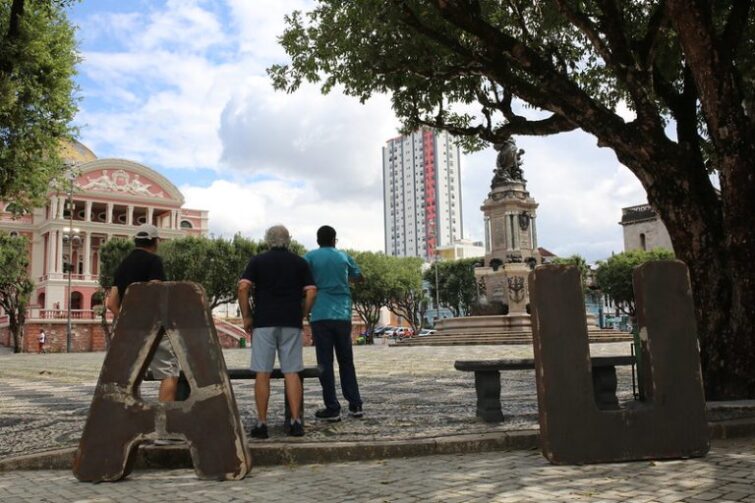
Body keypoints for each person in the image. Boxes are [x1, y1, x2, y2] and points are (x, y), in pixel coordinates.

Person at [238, 225, 316, 438]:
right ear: (288, 240)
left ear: (267, 240)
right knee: (292, 372)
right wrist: (303, 313)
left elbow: (243, 287)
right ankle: (295, 421)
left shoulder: (257, 261)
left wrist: (246, 316)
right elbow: (311, 291)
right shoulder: (300, 262)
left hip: (264, 321)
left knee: (262, 372)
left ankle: (262, 424)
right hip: (291, 321)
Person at [106, 224, 179, 403]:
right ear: (155, 241)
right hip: (152, 326)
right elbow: (154, 292)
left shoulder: (123, 265)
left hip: (127, 328)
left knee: (129, 375)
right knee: (169, 372)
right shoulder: (154, 261)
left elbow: (111, 303)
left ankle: (125, 418)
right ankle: (162, 420)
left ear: (136, 241)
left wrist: (127, 320)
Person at [304, 225, 364, 422]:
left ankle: (332, 407)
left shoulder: (310, 257)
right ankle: (355, 404)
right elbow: (359, 277)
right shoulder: (343, 256)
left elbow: (302, 280)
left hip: (321, 313)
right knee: (346, 361)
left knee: (325, 362)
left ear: (318, 240)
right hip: (342, 313)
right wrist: (343, 279)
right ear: (334, 240)